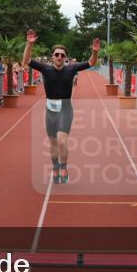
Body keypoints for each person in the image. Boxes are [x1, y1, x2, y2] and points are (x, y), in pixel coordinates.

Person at [22, 30, 100, 184]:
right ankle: (55, 167)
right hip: (50, 109)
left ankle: (64, 167)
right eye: (57, 54)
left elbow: (91, 63)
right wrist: (29, 44)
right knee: (52, 143)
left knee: (62, 140)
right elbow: (26, 60)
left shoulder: (71, 69)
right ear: (52, 56)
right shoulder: (45, 69)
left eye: (62, 55)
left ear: (65, 58)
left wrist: (95, 52)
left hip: (65, 108)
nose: (59, 57)